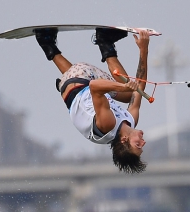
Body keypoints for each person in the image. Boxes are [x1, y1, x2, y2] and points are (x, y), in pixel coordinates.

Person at [35, 28, 149, 174]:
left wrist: (124, 86)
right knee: (130, 93)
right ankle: (47, 42)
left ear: (124, 140)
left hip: (79, 78)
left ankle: (104, 40)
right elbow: (139, 88)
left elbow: (95, 86)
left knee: (127, 90)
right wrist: (144, 50)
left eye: (138, 145)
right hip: (73, 84)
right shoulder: (130, 121)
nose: (143, 142)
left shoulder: (107, 125)